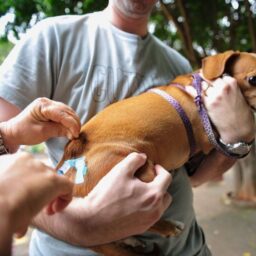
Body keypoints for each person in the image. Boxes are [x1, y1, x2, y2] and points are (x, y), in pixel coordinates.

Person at [0, 0, 254, 255]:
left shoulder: (178, 66)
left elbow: (195, 177)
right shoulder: (51, 37)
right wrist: (79, 224)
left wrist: (240, 138)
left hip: (188, 247)